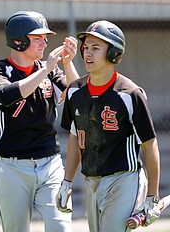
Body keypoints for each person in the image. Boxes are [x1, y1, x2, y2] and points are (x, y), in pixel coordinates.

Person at [56, 20, 161, 231]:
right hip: (91, 181)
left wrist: (152, 196)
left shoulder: (130, 94)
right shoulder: (75, 91)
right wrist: (66, 181)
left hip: (123, 180)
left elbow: (150, 146)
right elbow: (76, 137)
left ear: (113, 53)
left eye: (96, 48)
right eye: (86, 48)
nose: (87, 53)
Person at [0, 10, 79, 232]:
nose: (44, 43)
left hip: (50, 164)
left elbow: (77, 96)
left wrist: (67, 63)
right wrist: (47, 68)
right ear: (18, 40)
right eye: (37, 38)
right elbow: (8, 95)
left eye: (45, 38)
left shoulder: (48, 71)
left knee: (61, 227)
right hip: (11, 167)